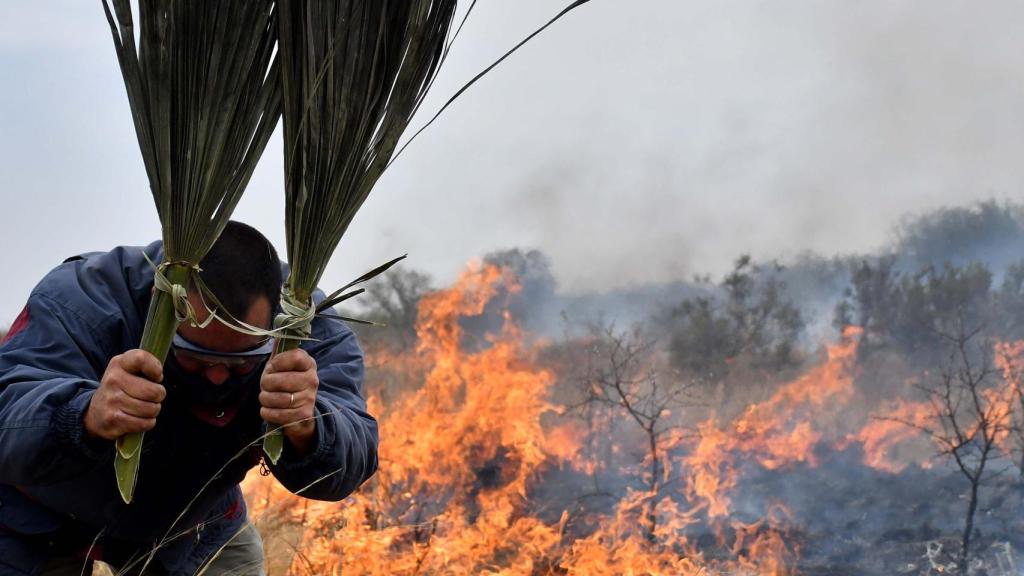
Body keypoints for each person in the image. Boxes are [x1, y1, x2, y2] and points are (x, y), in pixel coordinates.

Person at [0, 221, 379, 575]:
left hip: (189, 523)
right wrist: (82, 416)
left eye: (238, 364)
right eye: (196, 360)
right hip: (31, 517)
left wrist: (309, 428)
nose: (216, 376)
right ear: (161, 301)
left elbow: (354, 455)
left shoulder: (305, 326)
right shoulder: (84, 298)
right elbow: (9, 412)